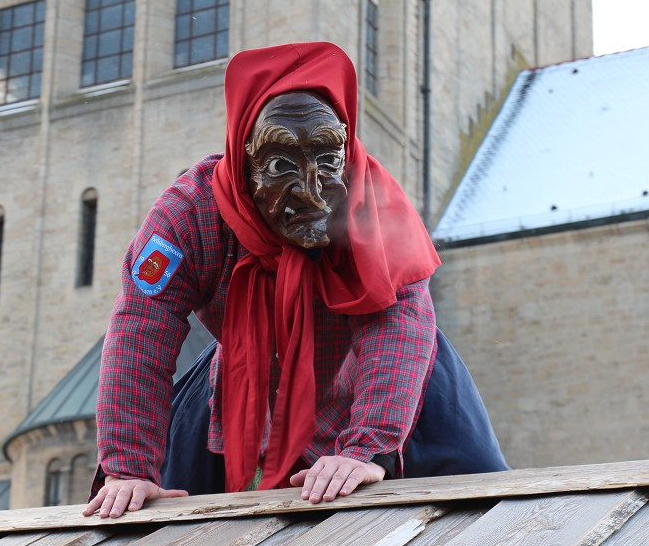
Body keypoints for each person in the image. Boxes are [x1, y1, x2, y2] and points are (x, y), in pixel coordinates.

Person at [84, 42, 506, 519]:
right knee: (174, 515)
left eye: (326, 161)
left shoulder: (375, 201)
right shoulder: (190, 212)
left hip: (386, 377)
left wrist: (370, 449)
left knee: (481, 512)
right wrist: (128, 465)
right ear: (243, 161)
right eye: (282, 165)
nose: (310, 192)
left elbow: (398, 324)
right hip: (248, 373)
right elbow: (142, 328)